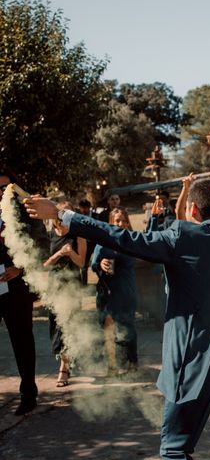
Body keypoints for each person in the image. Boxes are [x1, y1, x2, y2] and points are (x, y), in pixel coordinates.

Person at [25, 178, 210, 460]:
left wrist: (63, 215)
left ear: (193, 209)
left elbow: (122, 237)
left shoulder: (181, 236)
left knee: (175, 449)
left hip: (196, 359)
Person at [0, 172, 46, 416]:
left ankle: (28, 394)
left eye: (4, 187)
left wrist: (20, 267)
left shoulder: (27, 213)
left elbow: (42, 245)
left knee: (22, 342)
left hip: (17, 289)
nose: (1, 192)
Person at [44, 201, 87, 387]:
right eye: (63, 211)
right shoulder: (50, 235)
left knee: (68, 326)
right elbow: (44, 264)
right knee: (55, 326)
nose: (65, 214)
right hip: (54, 287)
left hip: (72, 287)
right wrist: (59, 254)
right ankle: (65, 360)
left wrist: (71, 254)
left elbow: (82, 263)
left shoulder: (79, 235)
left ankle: (64, 367)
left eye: (69, 211)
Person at [91, 208, 139, 375]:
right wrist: (100, 264)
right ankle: (112, 365)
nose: (120, 223)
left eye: (123, 220)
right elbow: (92, 264)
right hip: (106, 292)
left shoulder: (131, 240)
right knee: (108, 328)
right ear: (111, 222)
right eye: (116, 220)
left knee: (127, 328)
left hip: (125, 291)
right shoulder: (103, 241)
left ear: (127, 222)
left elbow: (133, 259)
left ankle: (132, 362)